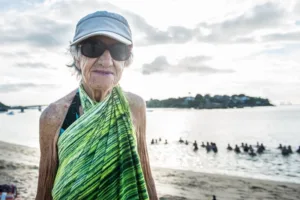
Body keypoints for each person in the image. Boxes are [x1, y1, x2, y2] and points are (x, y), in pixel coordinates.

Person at [36, 11, 158, 200]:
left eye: (118, 51)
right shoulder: (54, 117)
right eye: (93, 48)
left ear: (125, 60)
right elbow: (44, 191)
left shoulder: (135, 106)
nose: (106, 61)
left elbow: (144, 175)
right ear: (77, 56)